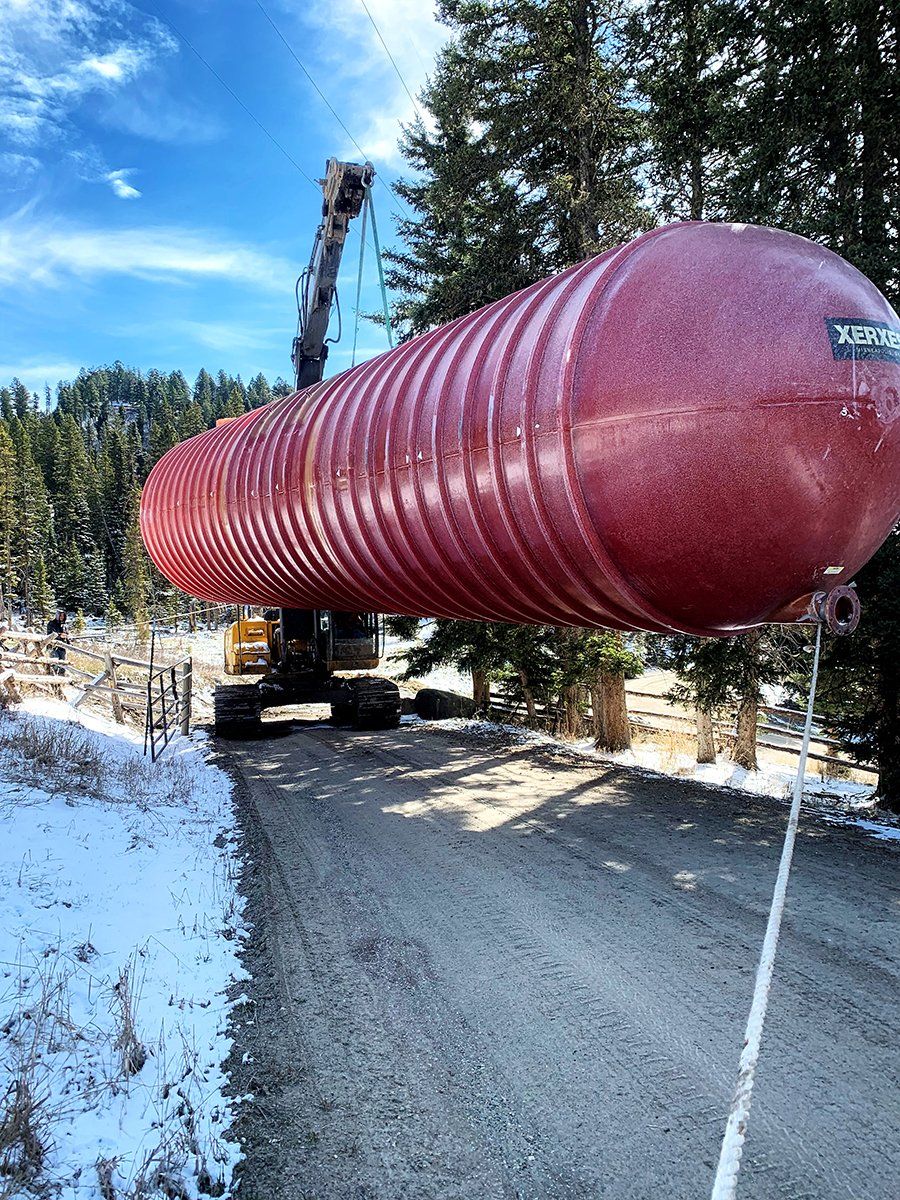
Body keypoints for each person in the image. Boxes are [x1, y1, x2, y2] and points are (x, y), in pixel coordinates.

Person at [47, 609, 69, 675]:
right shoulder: (51, 623)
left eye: (63, 616)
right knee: (55, 663)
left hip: (62, 647)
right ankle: (53, 680)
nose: (62, 617)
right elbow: (50, 634)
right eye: (60, 616)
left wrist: (68, 641)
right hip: (53, 646)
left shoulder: (64, 625)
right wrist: (60, 635)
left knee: (63, 664)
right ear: (57, 616)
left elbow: (66, 634)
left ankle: (61, 681)